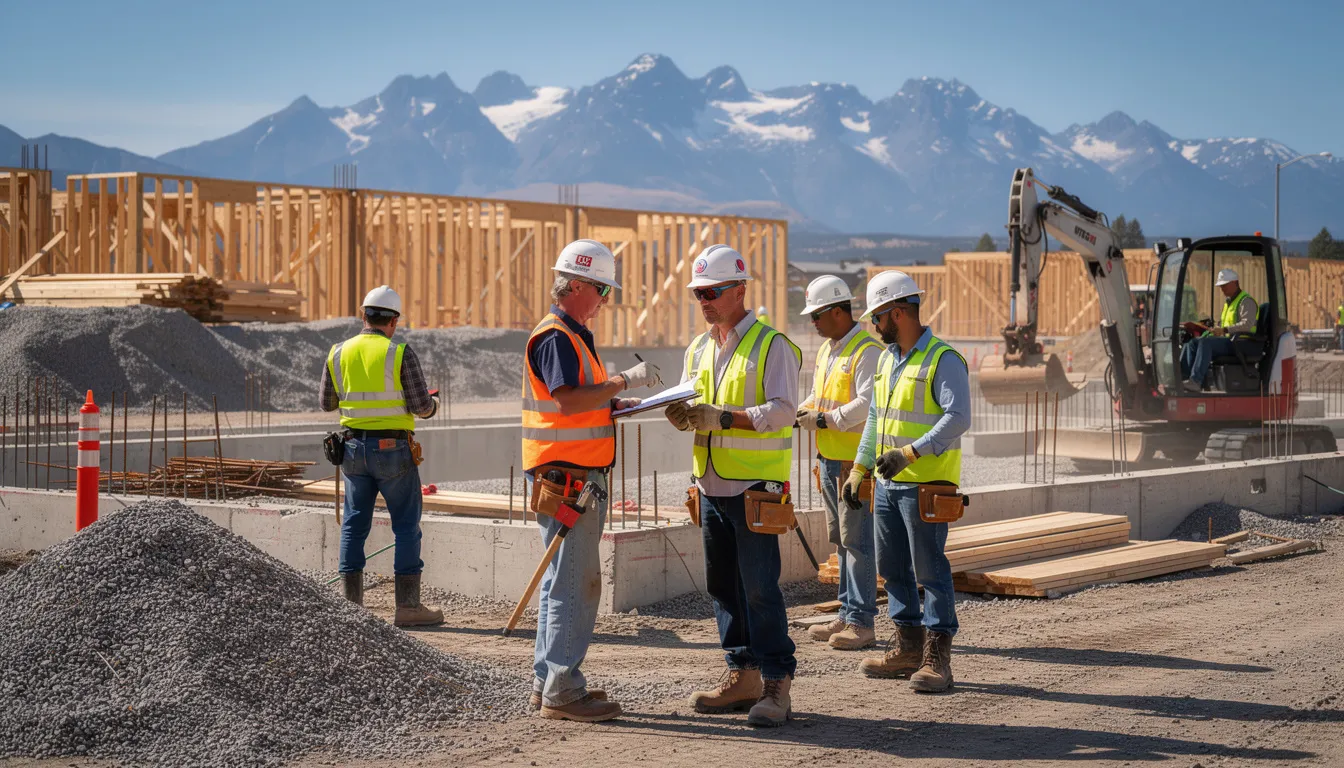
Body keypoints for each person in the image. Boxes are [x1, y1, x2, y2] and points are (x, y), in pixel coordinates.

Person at [522, 239, 661, 723]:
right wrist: (624, 382)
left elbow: (582, 400)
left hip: (570, 475)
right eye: (602, 288)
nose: (606, 298)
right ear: (577, 284)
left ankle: (550, 681)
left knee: (563, 580)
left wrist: (611, 402)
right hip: (570, 481)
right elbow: (567, 402)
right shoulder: (558, 335)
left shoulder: (572, 334)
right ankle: (563, 688)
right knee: (577, 582)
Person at [665, 244, 801, 727]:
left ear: (740, 289)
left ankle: (776, 682)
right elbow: (690, 400)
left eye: (712, 292)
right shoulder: (698, 348)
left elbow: (786, 412)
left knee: (760, 588)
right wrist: (683, 414)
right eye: (698, 293)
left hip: (753, 488)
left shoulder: (772, 345)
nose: (703, 301)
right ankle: (742, 673)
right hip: (712, 484)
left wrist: (725, 418)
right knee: (723, 586)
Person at [840, 270, 969, 693]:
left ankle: (938, 658)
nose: (874, 326)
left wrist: (911, 452)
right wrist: (859, 470)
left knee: (930, 570)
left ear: (898, 313)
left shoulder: (942, 359)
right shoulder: (888, 362)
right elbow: (876, 419)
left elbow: (958, 417)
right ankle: (908, 647)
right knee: (893, 569)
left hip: (926, 484)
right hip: (889, 484)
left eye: (877, 317)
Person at [321, 285, 443, 627]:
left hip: (353, 449)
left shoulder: (337, 352)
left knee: (353, 523)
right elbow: (421, 406)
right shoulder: (399, 351)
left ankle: (351, 607)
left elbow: (327, 403)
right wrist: (433, 405)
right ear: (394, 321)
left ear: (363, 316)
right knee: (406, 525)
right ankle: (407, 607)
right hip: (392, 451)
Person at [794, 276, 882, 650]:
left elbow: (867, 404)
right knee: (842, 541)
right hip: (829, 459)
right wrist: (806, 408)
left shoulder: (867, 351)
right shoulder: (829, 351)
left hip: (853, 461)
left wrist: (826, 420)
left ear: (837, 311)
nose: (812, 322)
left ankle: (861, 622)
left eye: (817, 314)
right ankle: (847, 614)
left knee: (858, 540)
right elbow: (820, 393)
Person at [1180, 268, 1258, 392]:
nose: (1222, 289)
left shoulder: (1246, 301)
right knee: (1193, 343)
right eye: (1221, 286)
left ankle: (1196, 381)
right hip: (1231, 341)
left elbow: (1247, 325)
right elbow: (1224, 324)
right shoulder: (1229, 303)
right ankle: (1183, 379)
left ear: (1235, 283)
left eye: (1225, 285)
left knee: (1206, 343)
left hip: (1243, 343)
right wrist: (1211, 328)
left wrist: (1224, 330)